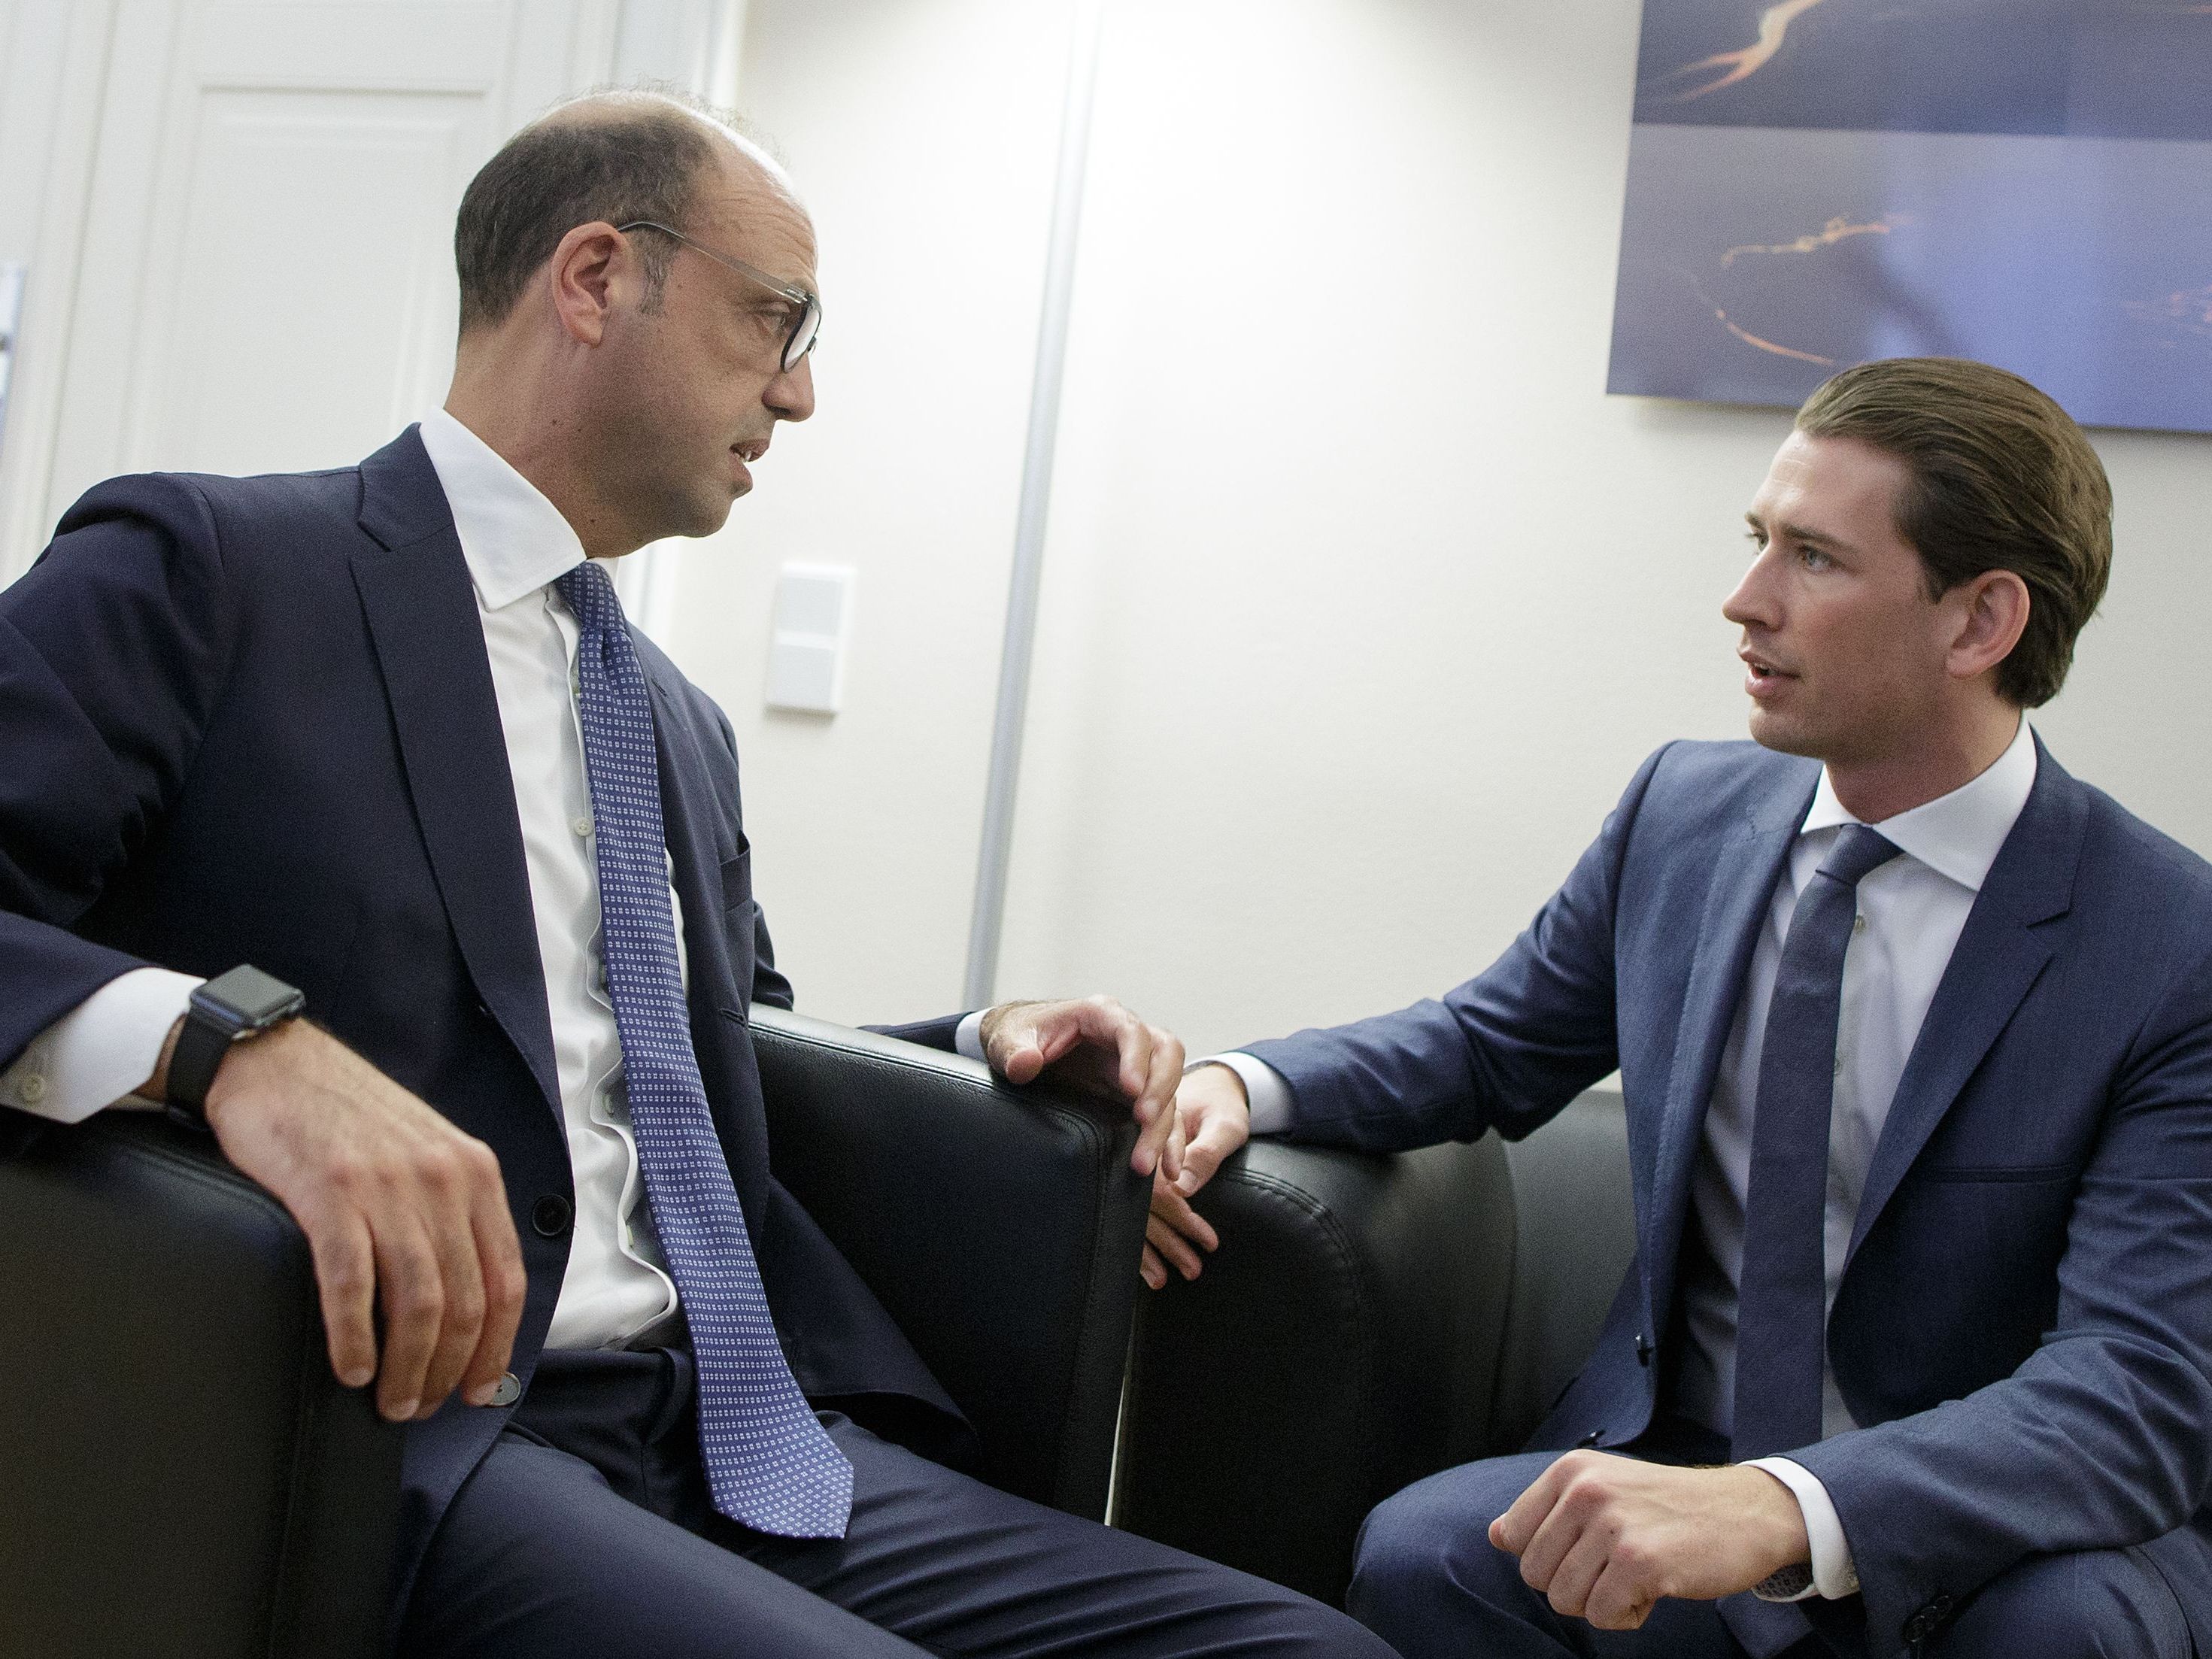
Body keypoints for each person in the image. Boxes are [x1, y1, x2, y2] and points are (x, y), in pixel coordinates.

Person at [0, 89, 1392, 1658]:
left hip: (731, 1425)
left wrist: (988, 1043)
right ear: (594, 278)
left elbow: (713, 1054)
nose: (797, 395)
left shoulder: (670, 720)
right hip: (409, 1427)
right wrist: (224, 1041)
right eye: (775, 321)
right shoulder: (206, 573)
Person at [1148, 356, 2212, 1658]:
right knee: (1428, 1551)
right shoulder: (1684, 813)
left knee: (2065, 1636)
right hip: (1671, 1447)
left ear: (1979, 620)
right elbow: (1490, 1041)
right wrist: (1240, 1085)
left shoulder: (2168, 944)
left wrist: (1783, 1504)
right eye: (1757, 541)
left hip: (1994, 1538)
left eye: (1812, 559)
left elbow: (2137, 1385)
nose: (1742, 599)